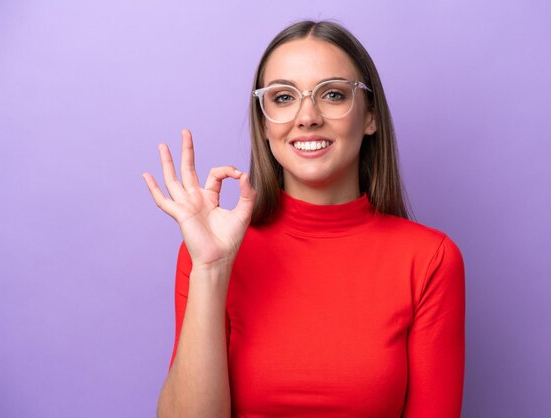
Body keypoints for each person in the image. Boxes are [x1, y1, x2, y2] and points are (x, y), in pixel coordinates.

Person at [143, 20, 465, 418]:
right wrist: (211, 269)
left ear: (370, 117)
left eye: (332, 94)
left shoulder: (429, 259)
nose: (307, 116)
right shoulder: (209, 253)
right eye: (283, 97)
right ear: (264, 123)